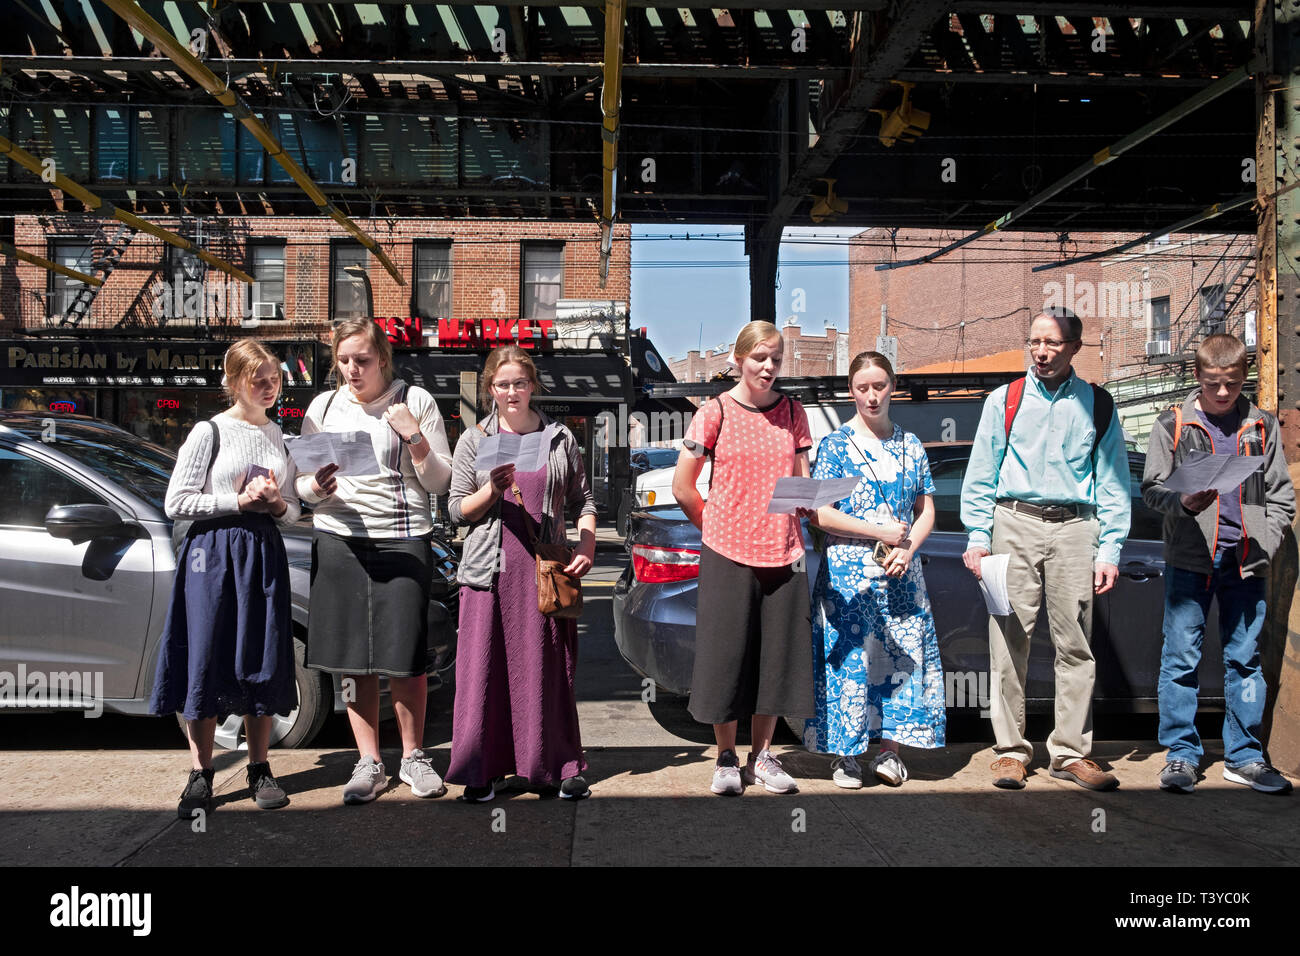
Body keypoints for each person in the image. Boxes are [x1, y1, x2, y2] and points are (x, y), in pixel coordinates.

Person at [960, 307, 1130, 791]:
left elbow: (1114, 481)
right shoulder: (1004, 400)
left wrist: (1110, 549)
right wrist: (977, 536)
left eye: (1053, 343)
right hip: (1012, 524)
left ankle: (1070, 753)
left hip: (1077, 529)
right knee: (1008, 639)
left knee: (1076, 645)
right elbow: (981, 473)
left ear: (1075, 347)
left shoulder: (1098, 404)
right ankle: (1011, 752)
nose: (1041, 352)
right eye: (1035, 342)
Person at [150, 339, 315, 819]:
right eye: (257, 378)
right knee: (207, 656)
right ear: (233, 381)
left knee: (261, 657)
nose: (268, 387)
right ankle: (201, 773)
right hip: (213, 554)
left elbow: (291, 510)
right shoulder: (209, 432)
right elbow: (176, 501)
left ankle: (260, 767)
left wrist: (280, 505)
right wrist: (236, 502)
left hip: (263, 552)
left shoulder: (280, 437)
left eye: (275, 379)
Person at [295, 318, 454, 805]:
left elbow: (439, 482)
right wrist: (314, 488)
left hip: (402, 539)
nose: (351, 369)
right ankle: (369, 761)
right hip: (340, 537)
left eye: (361, 360)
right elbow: (299, 486)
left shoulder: (416, 401)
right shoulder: (321, 406)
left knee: (405, 657)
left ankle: (413, 757)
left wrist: (414, 438)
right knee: (353, 659)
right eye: (343, 361)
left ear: (382, 358)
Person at [1142, 334, 1296, 795]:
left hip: (1246, 563)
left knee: (1245, 661)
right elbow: (1152, 490)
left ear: (1243, 376)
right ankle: (1181, 756)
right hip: (1191, 561)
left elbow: (1281, 500)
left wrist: (1263, 542)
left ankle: (1245, 757)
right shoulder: (1173, 425)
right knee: (1180, 661)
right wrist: (1183, 501)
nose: (1223, 393)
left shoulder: (1262, 427)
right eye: (1213, 384)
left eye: (1231, 383)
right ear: (1197, 377)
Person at [445, 345, 597, 801]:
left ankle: (554, 765)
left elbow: (582, 501)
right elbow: (456, 510)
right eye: (503, 384)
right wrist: (490, 490)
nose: (512, 392)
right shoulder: (475, 439)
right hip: (489, 570)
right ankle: (482, 769)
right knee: (483, 672)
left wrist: (586, 543)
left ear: (533, 386)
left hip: (543, 569)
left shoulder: (559, 438)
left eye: (520, 383)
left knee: (547, 670)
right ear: (490, 389)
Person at [673, 320, 815, 795]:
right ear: (738, 359)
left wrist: (809, 500)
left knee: (776, 660)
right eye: (759, 357)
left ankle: (763, 756)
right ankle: (727, 758)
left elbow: (802, 481)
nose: (769, 366)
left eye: (775, 357)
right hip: (728, 553)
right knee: (726, 658)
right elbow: (682, 486)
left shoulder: (794, 412)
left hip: (783, 554)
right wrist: (713, 528)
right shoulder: (714, 412)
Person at [805, 351, 944, 788]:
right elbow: (820, 515)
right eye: (862, 387)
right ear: (851, 391)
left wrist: (908, 547)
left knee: (901, 658)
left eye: (879, 385)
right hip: (848, 574)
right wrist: (878, 529)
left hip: (902, 570)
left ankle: (890, 752)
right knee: (850, 663)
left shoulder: (911, 445)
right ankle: (845, 756)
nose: (871, 395)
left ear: (892, 387)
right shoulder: (835, 446)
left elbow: (927, 510)